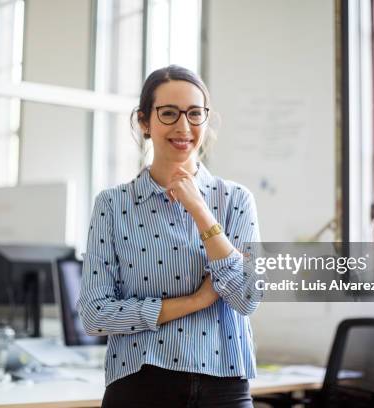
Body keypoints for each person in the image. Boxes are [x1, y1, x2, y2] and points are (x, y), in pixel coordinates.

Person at [78, 65, 261, 407]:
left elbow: (247, 298)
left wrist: (200, 210)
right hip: (140, 383)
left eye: (195, 114)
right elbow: (94, 313)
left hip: (224, 386)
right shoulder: (113, 205)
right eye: (169, 113)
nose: (183, 126)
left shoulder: (236, 199)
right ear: (144, 122)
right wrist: (195, 302)